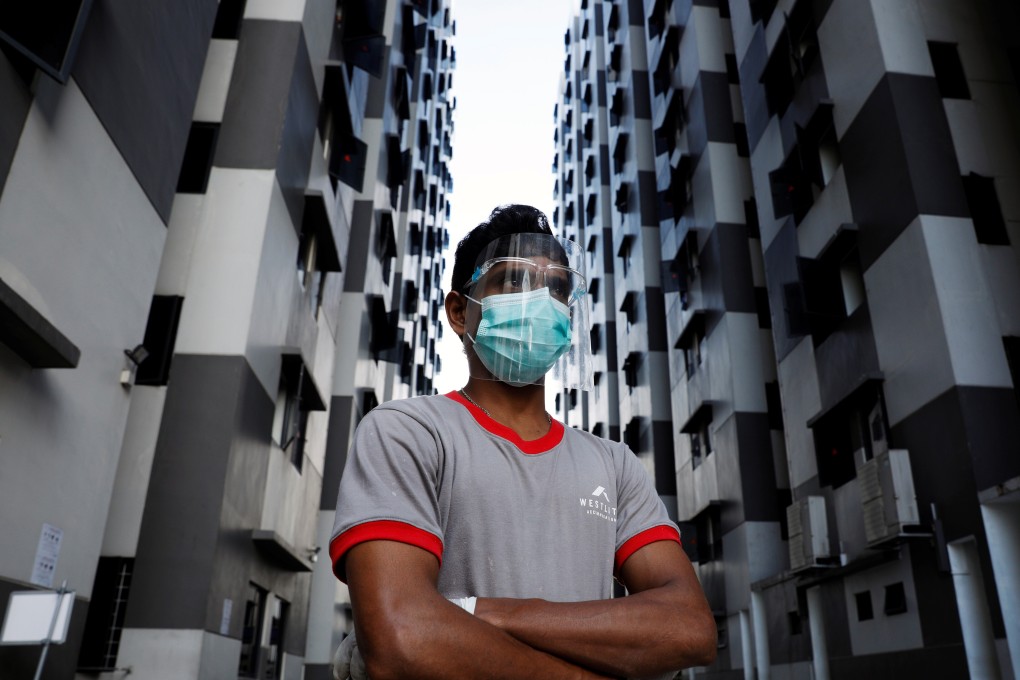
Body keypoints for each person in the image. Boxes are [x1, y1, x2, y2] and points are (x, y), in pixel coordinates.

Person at [329, 204, 716, 679]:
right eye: (513, 281)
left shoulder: (613, 465)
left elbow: (689, 628)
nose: (541, 303)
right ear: (459, 312)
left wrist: (472, 611)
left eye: (557, 288)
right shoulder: (407, 432)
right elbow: (403, 638)